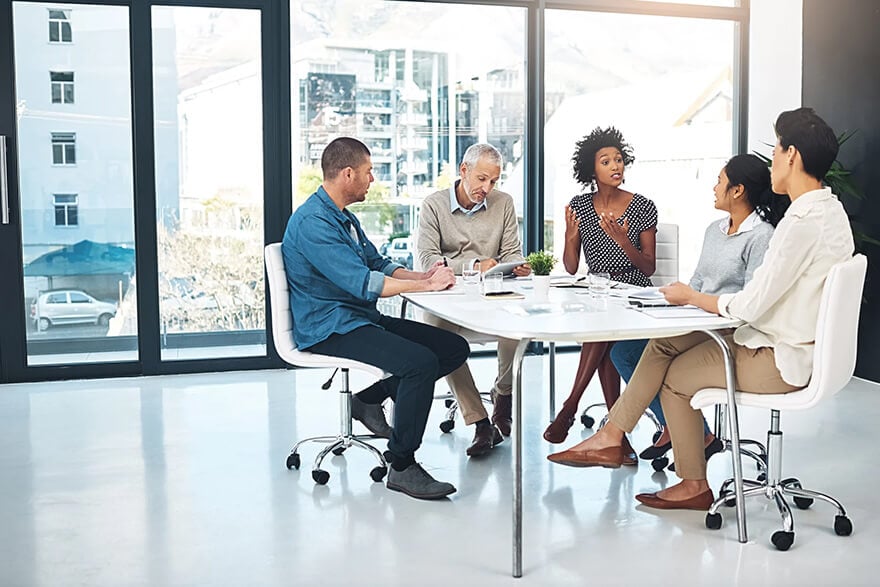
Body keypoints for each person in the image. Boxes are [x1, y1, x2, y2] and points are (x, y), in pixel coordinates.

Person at [547, 108, 854, 511]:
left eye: (777, 150)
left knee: (674, 377)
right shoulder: (826, 212)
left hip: (780, 357)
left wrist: (692, 299)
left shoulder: (799, 225)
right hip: (787, 342)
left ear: (792, 155)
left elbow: (751, 304)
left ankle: (688, 480)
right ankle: (613, 437)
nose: (774, 159)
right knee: (661, 345)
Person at [282, 137, 470, 501]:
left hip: (358, 318)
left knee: (451, 347)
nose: (372, 180)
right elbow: (363, 282)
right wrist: (428, 289)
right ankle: (401, 465)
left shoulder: (343, 217)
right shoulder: (313, 223)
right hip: (329, 327)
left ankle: (368, 400)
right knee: (418, 364)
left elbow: (377, 263)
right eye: (369, 173)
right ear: (348, 173)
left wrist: (423, 276)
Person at [611, 153, 789, 467]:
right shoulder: (714, 229)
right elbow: (698, 280)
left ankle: (615, 436)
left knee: (663, 355)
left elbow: (751, 301)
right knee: (623, 352)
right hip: (697, 318)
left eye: (720, 181)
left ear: (738, 190)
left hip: (727, 328)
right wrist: (670, 300)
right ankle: (673, 428)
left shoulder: (763, 236)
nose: (714, 187)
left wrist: (692, 300)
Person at [543, 127, 657, 463]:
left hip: (634, 292)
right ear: (592, 170)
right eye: (606, 161)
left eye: (619, 159)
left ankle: (571, 405)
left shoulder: (643, 207)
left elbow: (648, 268)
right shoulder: (579, 206)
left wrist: (623, 240)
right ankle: (616, 437)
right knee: (603, 340)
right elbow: (570, 266)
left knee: (601, 335)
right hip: (597, 292)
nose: (615, 165)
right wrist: (569, 235)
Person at [417, 143, 530, 457]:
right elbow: (427, 259)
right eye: (481, 179)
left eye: (493, 181)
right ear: (463, 170)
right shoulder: (433, 205)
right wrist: (471, 267)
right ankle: (480, 421)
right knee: (438, 340)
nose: (487, 188)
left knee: (517, 325)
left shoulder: (503, 203)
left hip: (491, 292)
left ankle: (503, 394)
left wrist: (516, 264)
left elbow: (510, 251)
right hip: (449, 294)